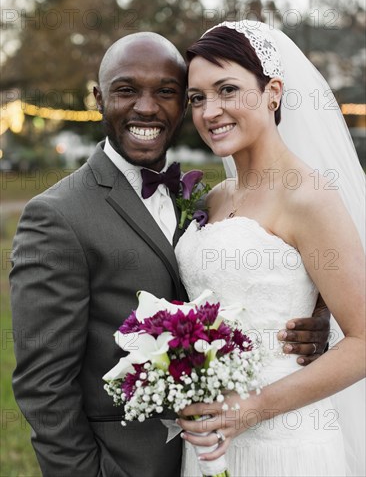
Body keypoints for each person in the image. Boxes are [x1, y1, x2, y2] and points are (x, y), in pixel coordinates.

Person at [10, 31, 330, 477]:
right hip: (127, 463)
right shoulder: (57, 216)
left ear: (183, 105)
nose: (146, 107)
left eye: (167, 92)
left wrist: (317, 311)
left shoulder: (203, 198)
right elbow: (43, 386)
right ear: (98, 98)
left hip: (225, 451)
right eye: (126, 90)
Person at [175, 21, 366, 477]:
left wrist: (251, 411)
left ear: (273, 93)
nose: (210, 111)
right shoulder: (213, 199)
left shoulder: (309, 197)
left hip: (286, 445)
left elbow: (362, 341)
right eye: (198, 98)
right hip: (210, 442)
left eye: (227, 90)